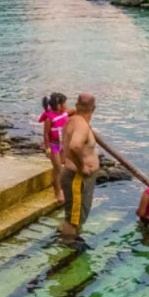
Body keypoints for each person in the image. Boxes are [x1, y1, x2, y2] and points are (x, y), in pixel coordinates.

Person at [59, 94, 101, 240]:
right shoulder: (82, 125)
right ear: (94, 108)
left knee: (75, 216)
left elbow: (66, 146)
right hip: (77, 177)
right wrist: (82, 166)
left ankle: (72, 239)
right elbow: (75, 146)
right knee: (73, 220)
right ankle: (68, 250)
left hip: (73, 175)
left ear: (76, 106)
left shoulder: (72, 120)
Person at [38, 93, 70, 203]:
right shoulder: (49, 119)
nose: (67, 105)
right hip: (53, 146)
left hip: (63, 144)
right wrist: (47, 150)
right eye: (65, 103)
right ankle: (58, 192)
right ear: (59, 105)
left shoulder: (65, 113)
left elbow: (72, 113)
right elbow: (46, 135)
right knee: (59, 169)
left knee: (60, 167)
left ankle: (55, 183)